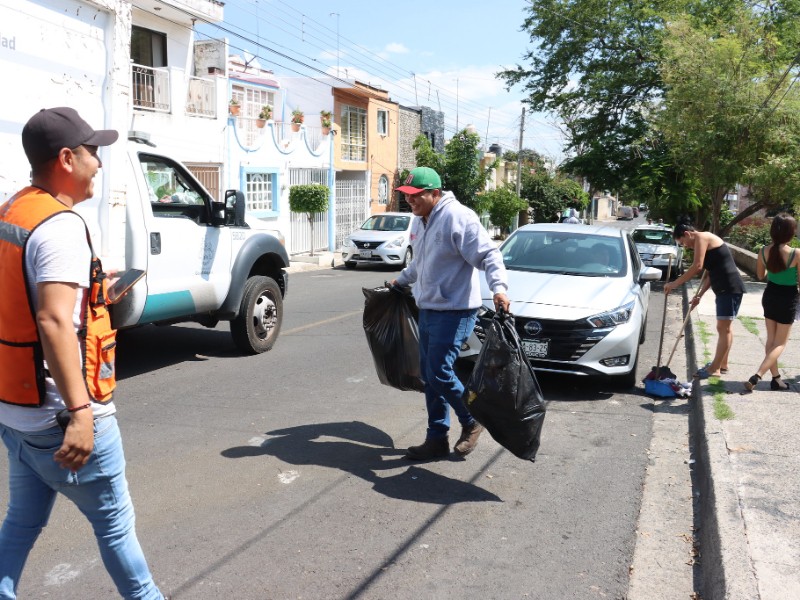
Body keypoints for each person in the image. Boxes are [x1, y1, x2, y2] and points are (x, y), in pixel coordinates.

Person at [0, 107, 166, 599]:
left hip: (18, 410)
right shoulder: (60, 227)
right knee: (116, 527)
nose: (99, 163)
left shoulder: (15, 209)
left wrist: (94, 288)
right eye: (94, 153)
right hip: (58, 414)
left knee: (21, 524)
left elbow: (29, 302)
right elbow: (53, 320)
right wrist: (80, 414)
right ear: (67, 158)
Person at [391, 167, 510, 461]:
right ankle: (436, 438)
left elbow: (489, 255)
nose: (411, 201)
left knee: (439, 372)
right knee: (428, 377)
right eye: (407, 196)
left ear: (434, 193)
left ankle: (472, 419)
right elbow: (420, 262)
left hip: (456, 309)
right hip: (429, 307)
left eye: (416, 196)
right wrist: (401, 281)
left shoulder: (459, 217)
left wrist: (499, 288)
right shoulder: (420, 222)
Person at [664, 219, 745, 379]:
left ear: (687, 234)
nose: (685, 246)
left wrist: (674, 284)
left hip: (729, 287)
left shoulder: (702, 237)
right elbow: (709, 274)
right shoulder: (705, 242)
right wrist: (699, 295)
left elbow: (697, 267)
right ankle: (723, 364)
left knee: (724, 328)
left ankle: (714, 369)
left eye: (683, 242)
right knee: (725, 328)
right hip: (724, 287)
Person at [743, 213, 799, 392]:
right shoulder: (796, 253)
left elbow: (760, 275)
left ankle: (776, 380)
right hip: (787, 298)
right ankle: (758, 375)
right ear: (791, 232)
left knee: (771, 340)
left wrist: (773, 271)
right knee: (780, 343)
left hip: (770, 295)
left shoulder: (763, 251)